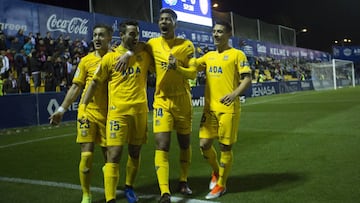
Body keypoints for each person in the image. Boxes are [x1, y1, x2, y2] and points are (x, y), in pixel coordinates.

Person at [79, 20, 153, 203]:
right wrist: (83, 105)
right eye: (132, 33)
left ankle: (128, 187)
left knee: (135, 152)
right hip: (117, 113)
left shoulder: (144, 54)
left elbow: (149, 46)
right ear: (122, 35)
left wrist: (129, 53)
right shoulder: (109, 58)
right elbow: (95, 83)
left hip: (140, 111)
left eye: (137, 33)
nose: (136, 37)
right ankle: (110, 198)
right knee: (114, 154)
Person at [49, 24, 113, 203]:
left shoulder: (117, 58)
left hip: (109, 114)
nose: (97, 39)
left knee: (110, 157)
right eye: (95, 35)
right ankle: (86, 194)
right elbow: (76, 86)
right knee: (86, 156)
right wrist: (61, 110)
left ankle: (111, 195)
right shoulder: (85, 61)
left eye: (101, 35)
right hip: (87, 112)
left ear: (110, 37)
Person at [189, 21, 252, 199]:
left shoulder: (237, 54)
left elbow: (247, 78)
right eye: (214, 31)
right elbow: (191, 65)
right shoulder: (208, 56)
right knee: (204, 145)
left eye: (220, 32)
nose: (216, 35)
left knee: (225, 147)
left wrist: (234, 94)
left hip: (228, 108)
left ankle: (221, 185)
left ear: (228, 34)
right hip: (209, 110)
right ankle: (216, 172)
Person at [146, 8, 196, 203]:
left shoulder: (186, 45)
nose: (163, 22)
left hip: (183, 101)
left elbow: (192, 73)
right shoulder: (152, 44)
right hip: (162, 101)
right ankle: (164, 192)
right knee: (162, 144)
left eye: (168, 19)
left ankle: (183, 180)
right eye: (161, 19)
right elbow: (138, 52)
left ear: (175, 24)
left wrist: (178, 68)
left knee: (184, 143)